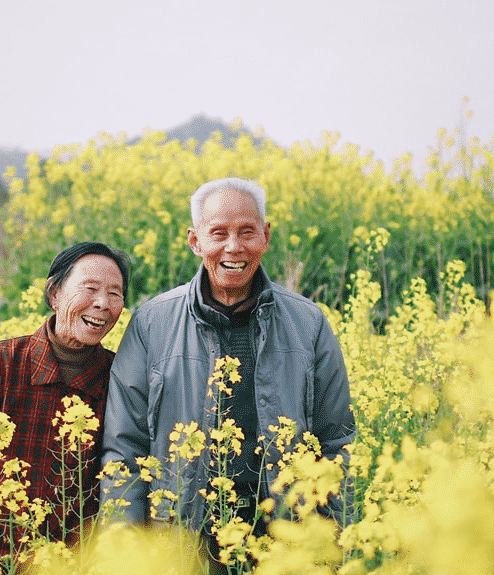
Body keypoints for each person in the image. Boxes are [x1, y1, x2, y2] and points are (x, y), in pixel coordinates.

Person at [100, 177, 356, 541]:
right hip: (182, 539)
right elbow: (125, 448)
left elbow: (336, 443)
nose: (233, 247)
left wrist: (334, 546)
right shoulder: (151, 323)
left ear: (266, 236)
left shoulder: (308, 323)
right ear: (195, 241)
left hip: (285, 539)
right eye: (218, 233)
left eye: (247, 232)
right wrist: (125, 545)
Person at [0, 242, 130, 575]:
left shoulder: (121, 378)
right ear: (54, 294)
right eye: (90, 288)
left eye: (115, 293)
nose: (102, 304)